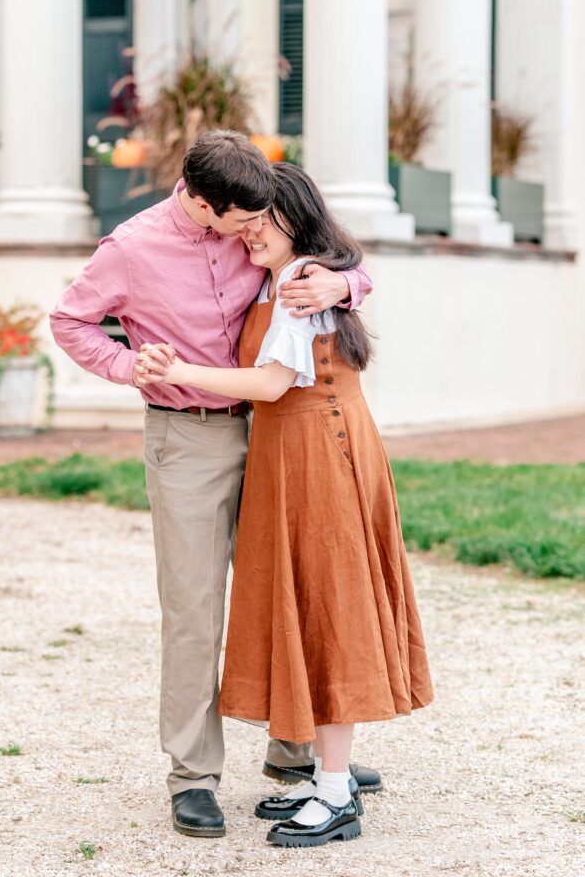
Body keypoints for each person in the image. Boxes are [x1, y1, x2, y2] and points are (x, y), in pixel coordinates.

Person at [49, 130, 381, 840]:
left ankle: (297, 752)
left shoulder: (253, 217)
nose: (253, 230)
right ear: (201, 205)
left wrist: (346, 281)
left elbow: (324, 248)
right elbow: (69, 321)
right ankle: (193, 777)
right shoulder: (130, 249)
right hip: (188, 435)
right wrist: (124, 365)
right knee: (196, 609)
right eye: (240, 220)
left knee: (281, 590)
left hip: (273, 432)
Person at [137, 162, 434, 849]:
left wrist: (177, 371)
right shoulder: (297, 276)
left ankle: (333, 792)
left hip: (316, 456)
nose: (244, 236)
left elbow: (272, 383)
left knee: (329, 607)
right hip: (302, 453)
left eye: (257, 224)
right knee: (309, 603)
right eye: (239, 223)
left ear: (291, 217)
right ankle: (322, 777)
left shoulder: (302, 283)